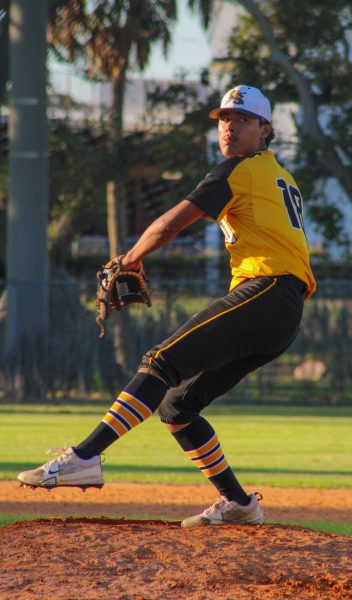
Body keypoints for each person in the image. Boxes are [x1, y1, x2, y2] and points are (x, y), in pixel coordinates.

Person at [18, 85, 316, 527]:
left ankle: (85, 456)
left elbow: (171, 221)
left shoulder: (239, 170)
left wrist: (128, 258)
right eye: (223, 120)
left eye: (242, 120)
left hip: (267, 292)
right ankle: (240, 504)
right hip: (281, 312)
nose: (229, 128)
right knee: (177, 406)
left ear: (265, 129)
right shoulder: (280, 176)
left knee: (160, 362)